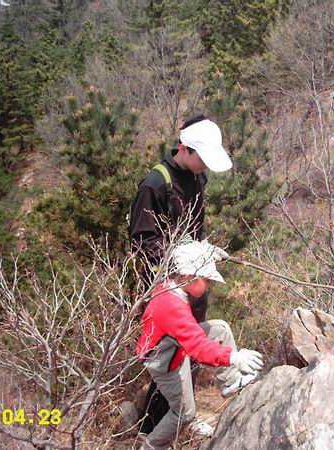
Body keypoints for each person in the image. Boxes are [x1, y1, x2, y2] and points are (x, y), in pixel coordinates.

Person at [128, 115, 233, 433]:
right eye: (203, 159)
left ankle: (182, 413)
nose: (205, 166)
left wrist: (205, 250)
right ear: (185, 148)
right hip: (166, 286)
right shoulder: (154, 184)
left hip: (193, 279)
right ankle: (151, 427)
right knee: (170, 356)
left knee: (193, 346)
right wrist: (182, 259)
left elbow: (195, 227)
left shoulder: (198, 178)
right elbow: (142, 241)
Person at [136, 240, 263, 450]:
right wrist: (233, 357)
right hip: (165, 362)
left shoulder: (172, 284)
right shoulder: (172, 306)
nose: (209, 284)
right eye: (206, 279)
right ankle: (151, 446)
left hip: (173, 347)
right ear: (188, 276)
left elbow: (181, 250)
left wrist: (208, 252)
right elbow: (198, 347)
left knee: (220, 329)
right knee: (184, 414)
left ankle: (231, 381)